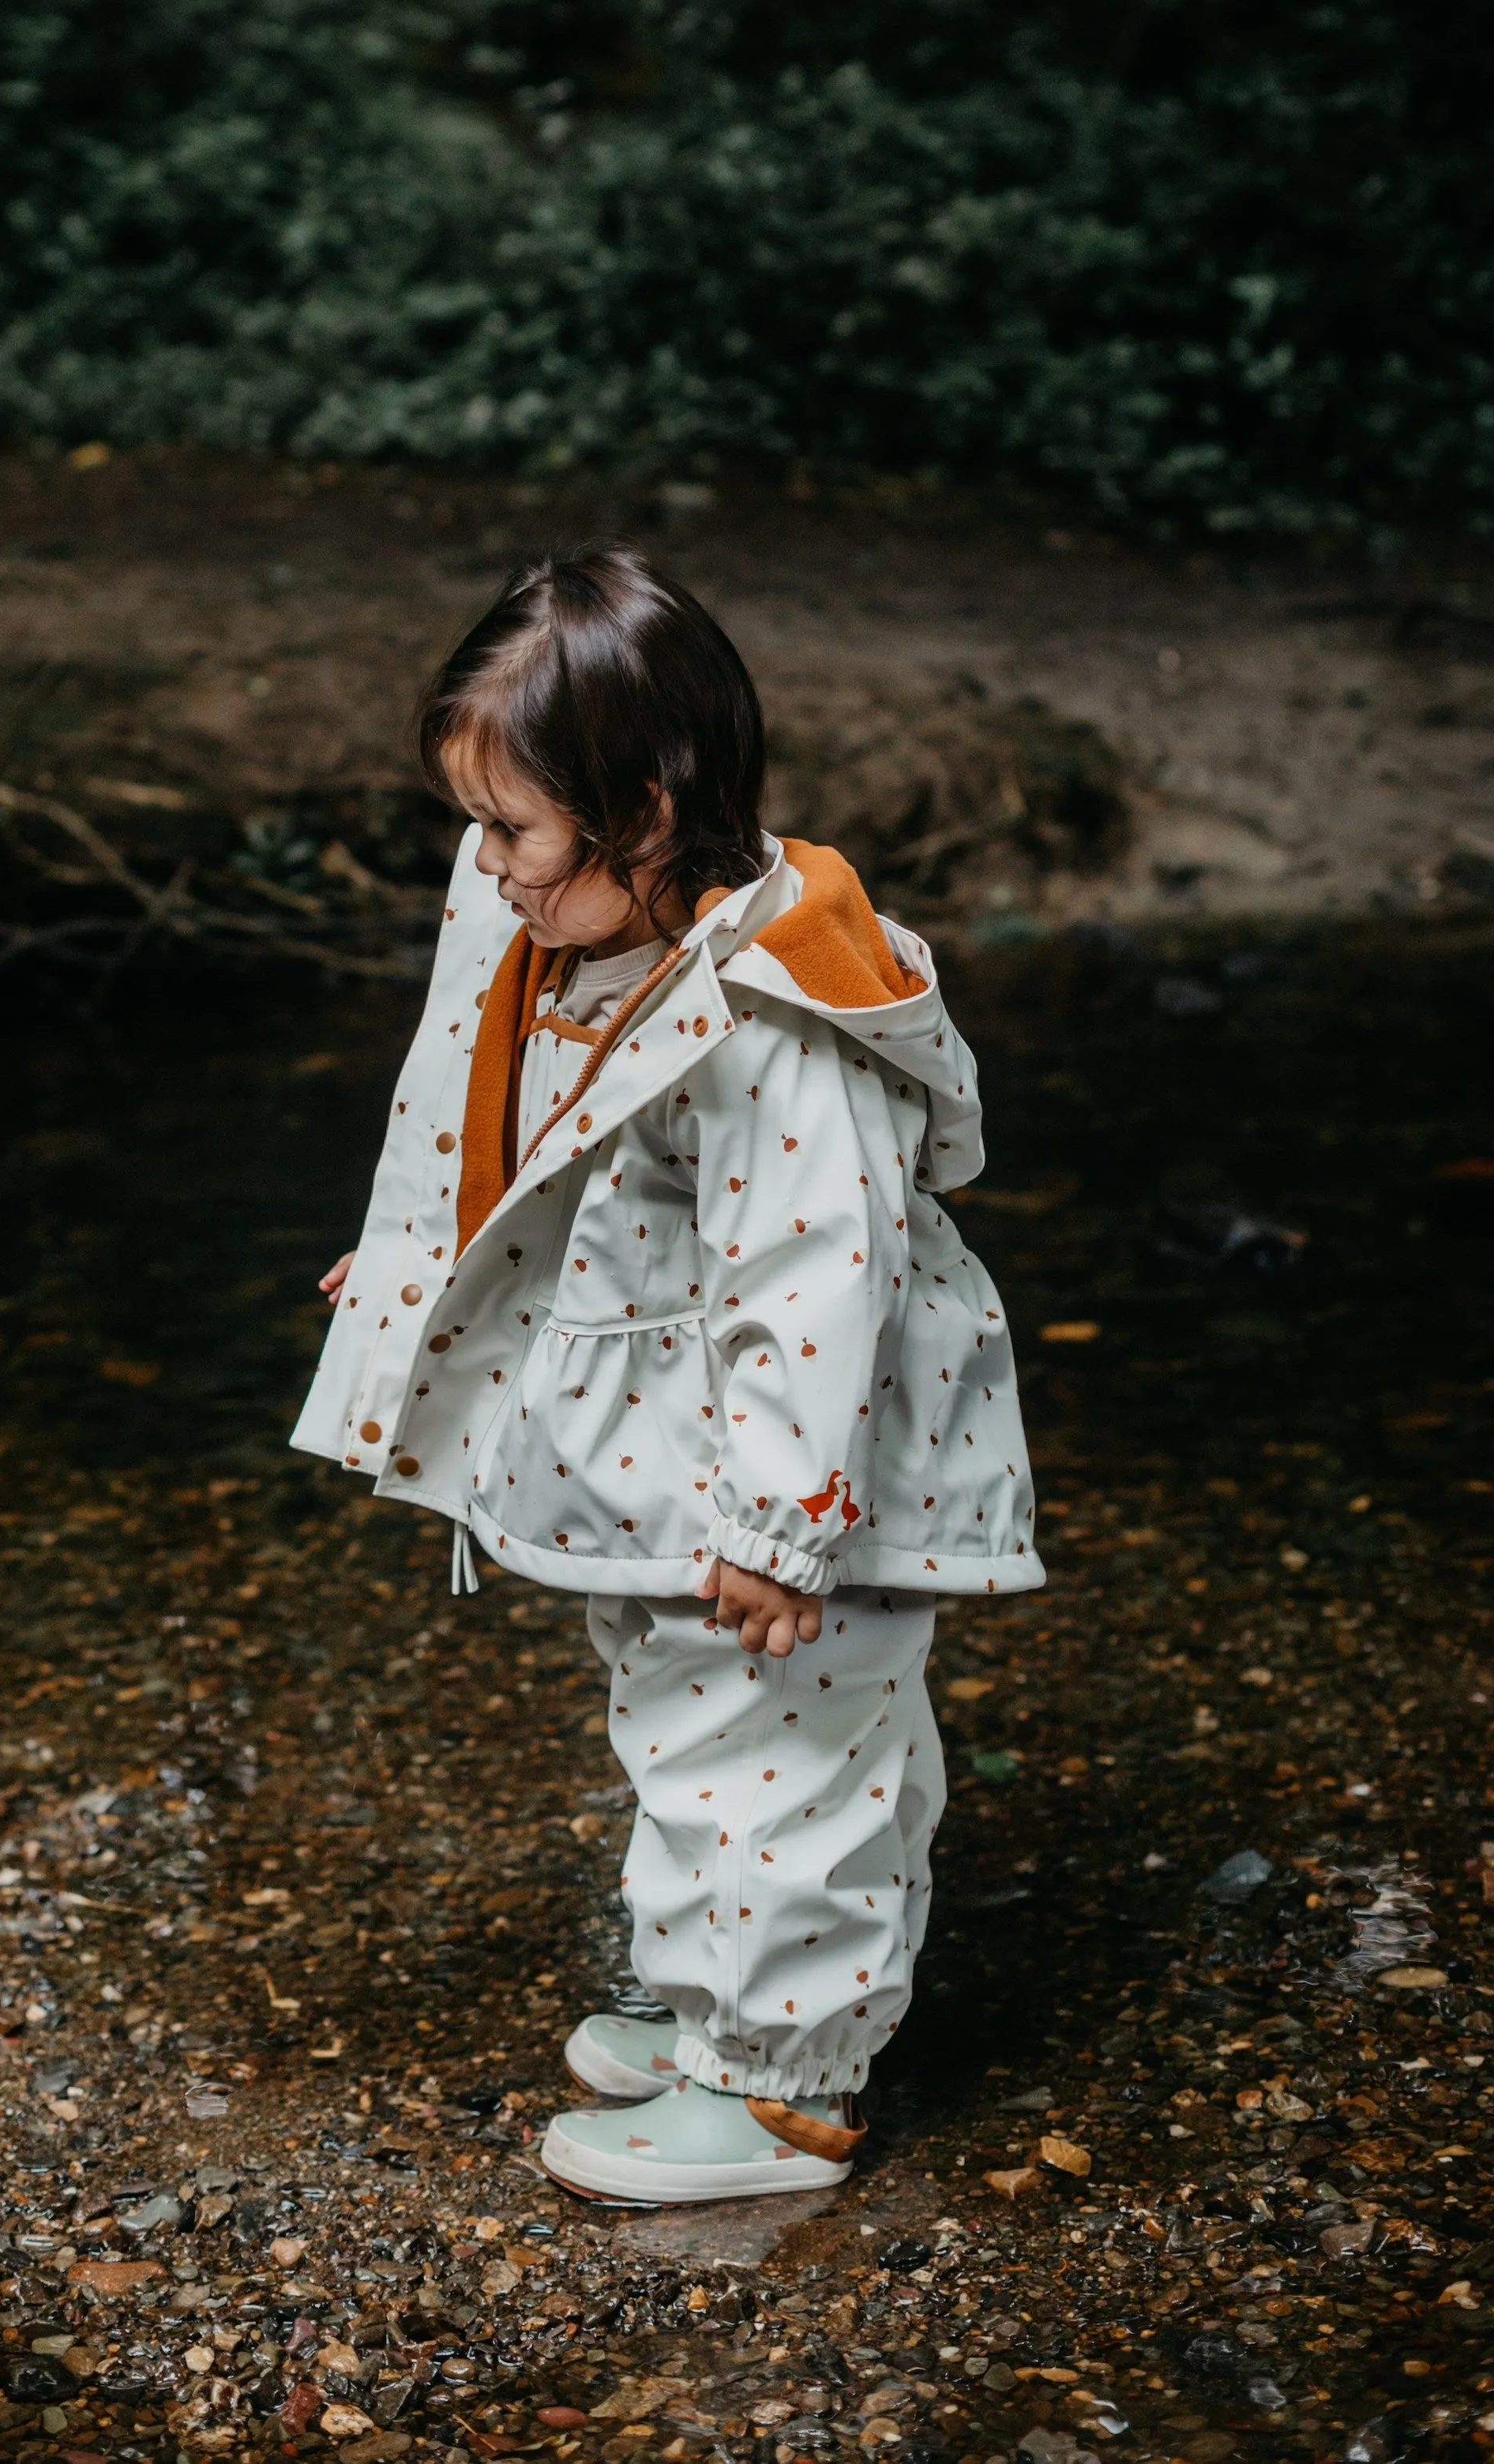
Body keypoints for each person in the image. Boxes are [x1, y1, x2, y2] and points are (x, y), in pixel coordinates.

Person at [291, 548, 1042, 2205]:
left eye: (513, 834)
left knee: (791, 1763)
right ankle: (710, 2003)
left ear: (637, 819)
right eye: (478, 829)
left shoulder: (768, 1016)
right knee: (689, 1731)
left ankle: (779, 2094)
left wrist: (786, 1528)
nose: (486, 872)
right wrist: (423, 1274)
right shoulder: (589, 941)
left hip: (803, 1472)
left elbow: (813, 1277)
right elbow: (536, 1159)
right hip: (672, 1447)